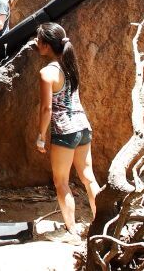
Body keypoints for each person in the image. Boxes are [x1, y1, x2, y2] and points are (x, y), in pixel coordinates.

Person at [34, 22, 100, 243]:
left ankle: (71, 231)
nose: (35, 42)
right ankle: (103, 222)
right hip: (83, 126)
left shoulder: (47, 73)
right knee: (88, 177)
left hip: (64, 132)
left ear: (45, 45)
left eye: (38, 40)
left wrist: (41, 136)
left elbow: (46, 109)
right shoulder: (70, 64)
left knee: (61, 181)